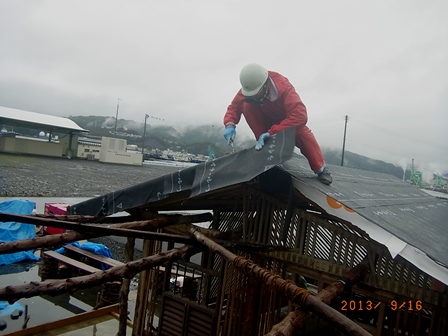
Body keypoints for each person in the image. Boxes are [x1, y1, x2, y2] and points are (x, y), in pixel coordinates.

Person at [223, 63, 332, 185]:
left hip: (287, 122)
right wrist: (230, 124)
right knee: (247, 105)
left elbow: (300, 115)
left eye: (256, 93)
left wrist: (272, 132)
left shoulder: (284, 87)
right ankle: (265, 152)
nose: (253, 96)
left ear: (265, 86)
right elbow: (234, 107)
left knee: (303, 134)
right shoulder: (250, 86)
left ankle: (321, 168)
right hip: (265, 122)